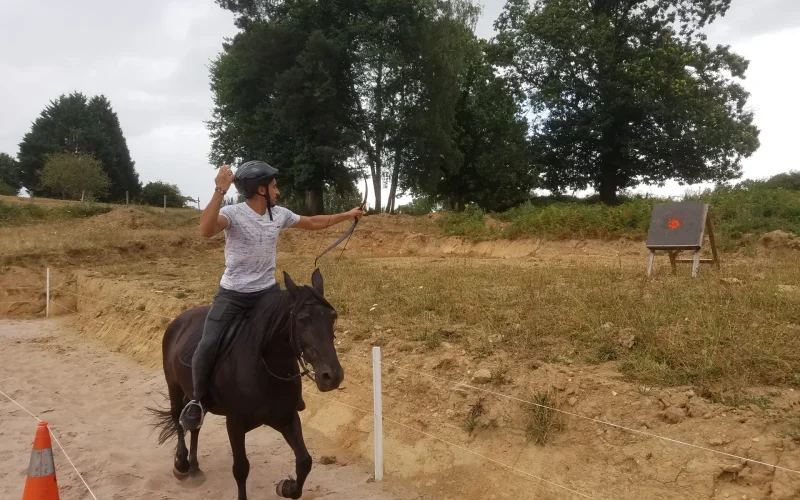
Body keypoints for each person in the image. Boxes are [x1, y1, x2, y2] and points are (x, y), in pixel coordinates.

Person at [179, 160, 365, 431]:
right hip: (233, 295)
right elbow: (206, 230)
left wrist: (347, 215)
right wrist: (219, 190)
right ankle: (197, 400)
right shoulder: (233, 213)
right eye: (274, 186)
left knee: (290, 335)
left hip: (267, 293)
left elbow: (313, 222)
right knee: (207, 343)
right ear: (261, 190)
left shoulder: (278, 215)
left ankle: (290, 394)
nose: (278, 191)